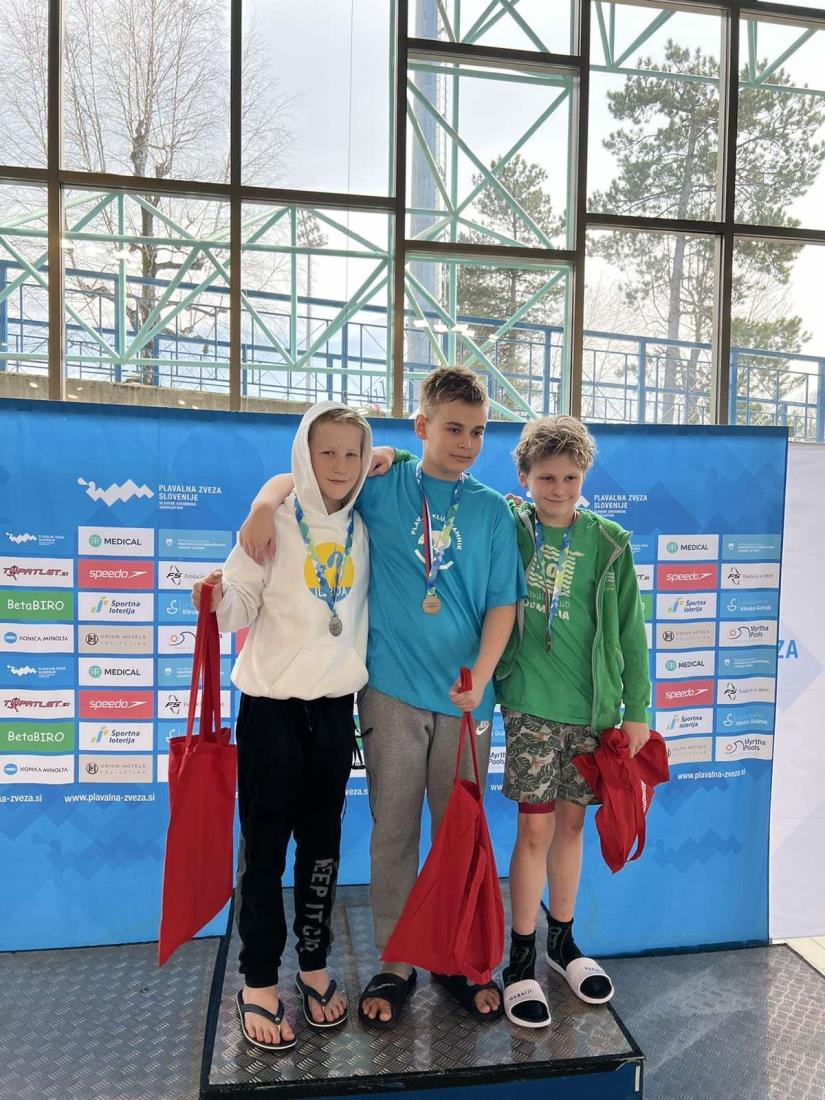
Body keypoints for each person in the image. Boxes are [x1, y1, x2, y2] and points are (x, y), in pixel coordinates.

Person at [239, 366, 524, 1028]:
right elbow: (308, 479)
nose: (466, 443)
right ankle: (396, 960)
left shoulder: (492, 510)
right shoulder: (381, 482)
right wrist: (261, 503)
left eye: (478, 432)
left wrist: (482, 676)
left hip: (466, 701)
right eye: (452, 428)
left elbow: (503, 605)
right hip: (389, 692)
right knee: (392, 832)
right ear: (422, 425)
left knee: (458, 836)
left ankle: (457, 958)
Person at [192, 402, 373, 1054]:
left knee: (322, 847)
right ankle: (259, 979)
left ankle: (313, 964)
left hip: (335, 710)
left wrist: (265, 493)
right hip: (270, 711)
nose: (340, 465)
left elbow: (392, 460)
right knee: (264, 851)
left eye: (351, 453)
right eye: (326, 452)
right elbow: (236, 607)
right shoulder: (273, 522)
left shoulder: (363, 521)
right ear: (303, 454)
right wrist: (216, 597)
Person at [495, 415, 651, 1028]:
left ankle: (562, 943)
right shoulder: (511, 526)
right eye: (546, 478)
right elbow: (449, 490)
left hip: (592, 714)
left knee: (572, 827)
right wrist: (396, 459)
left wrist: (636, 710)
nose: (558, 489)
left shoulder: (609, 542)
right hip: (531, 706)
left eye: (570, 477)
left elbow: (632, 633)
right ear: (525, 477)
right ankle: (520, 958)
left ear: (584, 476)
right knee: (533, 831)